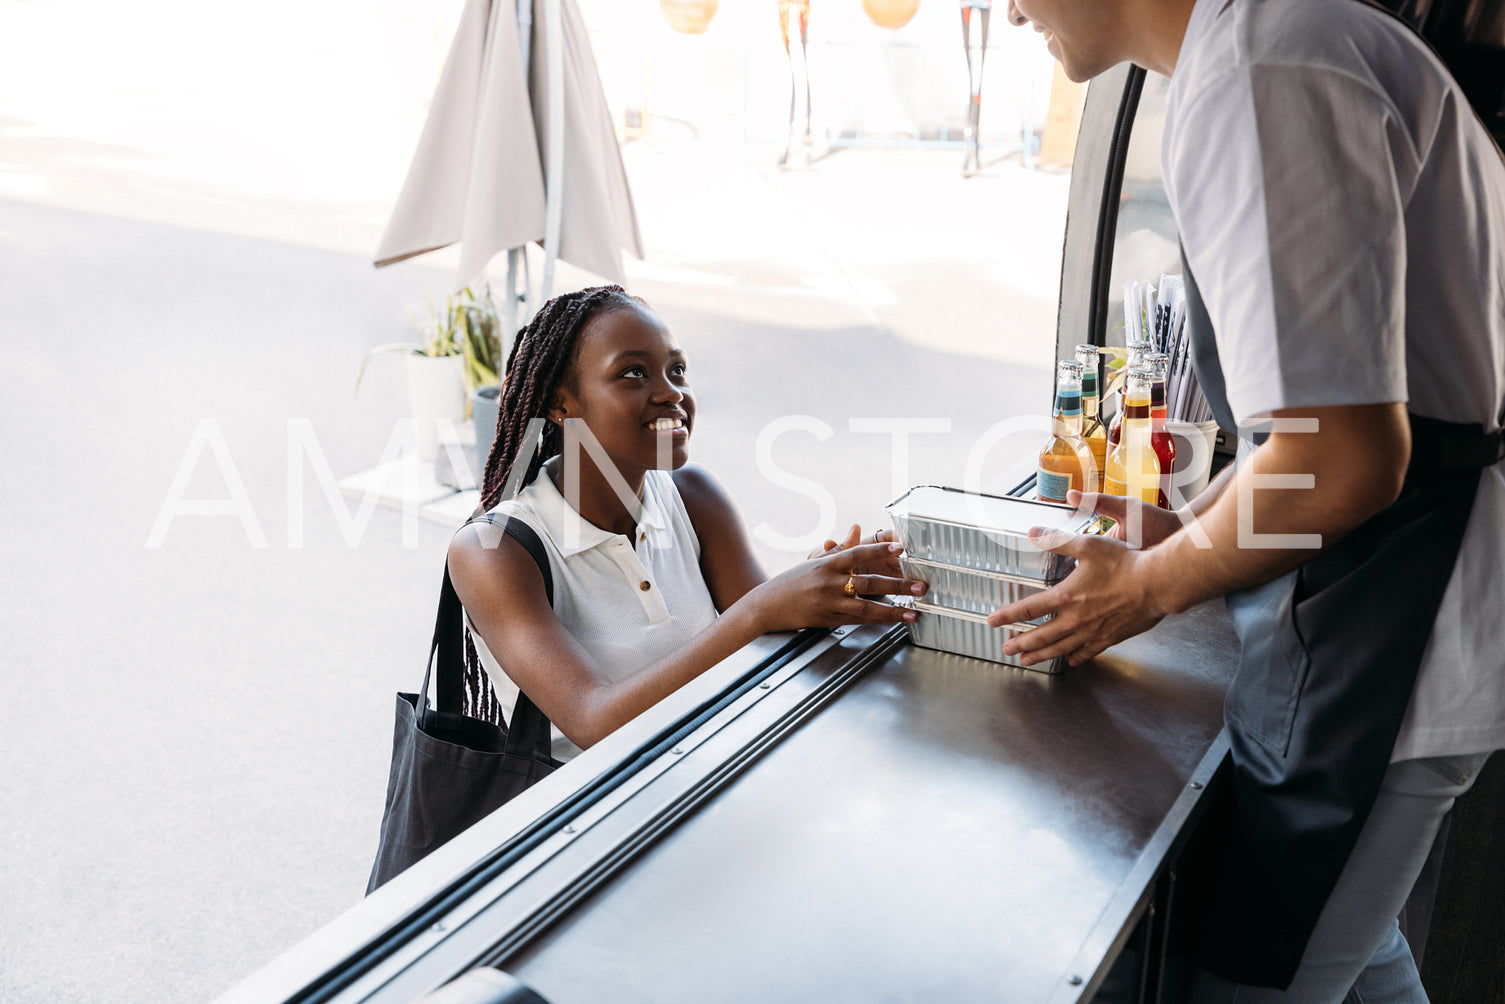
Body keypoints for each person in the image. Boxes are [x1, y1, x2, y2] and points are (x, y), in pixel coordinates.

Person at [996, 0, 1505, 999]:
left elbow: (1344, 457)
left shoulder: (1260, 68)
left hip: (1397, 629)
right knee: (1356, 956)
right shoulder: (1278, 41)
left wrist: (1142, 587)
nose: (1009, 10)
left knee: (1253, 981)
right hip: (1382, 605)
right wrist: (1180, 529)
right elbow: (1314, 427)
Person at [449, 284, 925, 759]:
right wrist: (760, 609)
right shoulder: (493, 551)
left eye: (677, 370)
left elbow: (769, 638)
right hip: (589, 818)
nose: (672, 393)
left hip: (706, 769)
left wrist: (825, 583)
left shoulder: (694, 498)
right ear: (560, 404)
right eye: (634, 373)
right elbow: (591, 719)